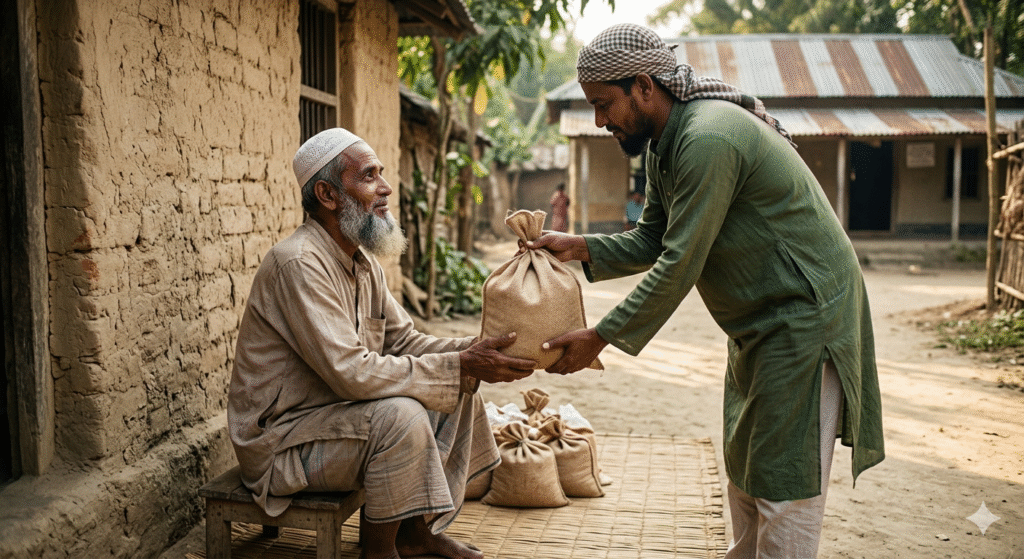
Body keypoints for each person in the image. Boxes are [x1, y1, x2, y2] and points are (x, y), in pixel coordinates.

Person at [528, 24, 884, 558]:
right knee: (746, 472)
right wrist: (577, 245)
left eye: (605, 104)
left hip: (804, 320)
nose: (599, 121)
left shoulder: (707, 138)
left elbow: (680, 261)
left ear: (644, 86)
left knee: (785, 487)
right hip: (756, 326)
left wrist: (599, 337)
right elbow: (654, 237)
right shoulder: (663, 146)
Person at [228, 128, 535, 559]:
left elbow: (403, 341)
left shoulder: (361, 263)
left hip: (334, 417)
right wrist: (460, 364)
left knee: (458, 390)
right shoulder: (298, 263)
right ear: (328, 194)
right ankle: (378, 552)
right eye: (370, 176)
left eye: (381, 174)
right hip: (282, 440)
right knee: (401, 416)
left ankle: (415, 533)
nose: (386, 188)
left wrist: (482, 351)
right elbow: (350, 372)